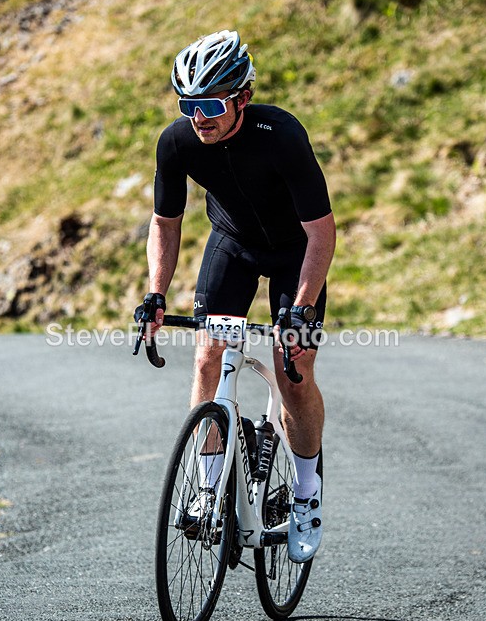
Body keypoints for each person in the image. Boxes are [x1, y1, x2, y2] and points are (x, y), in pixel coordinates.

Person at [136, 29, 336, 563]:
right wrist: (156, 294)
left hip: (295, 252)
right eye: (188, 105)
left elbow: (321, 232)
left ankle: (306, 494)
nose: (198, 117)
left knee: (293, 371)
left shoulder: (281, 134)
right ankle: (208, 490)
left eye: (210, 105)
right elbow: (165, 221)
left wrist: (302, 308)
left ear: (242, 97)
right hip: (235, 246)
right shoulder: (176, 142)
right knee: (207, 355)